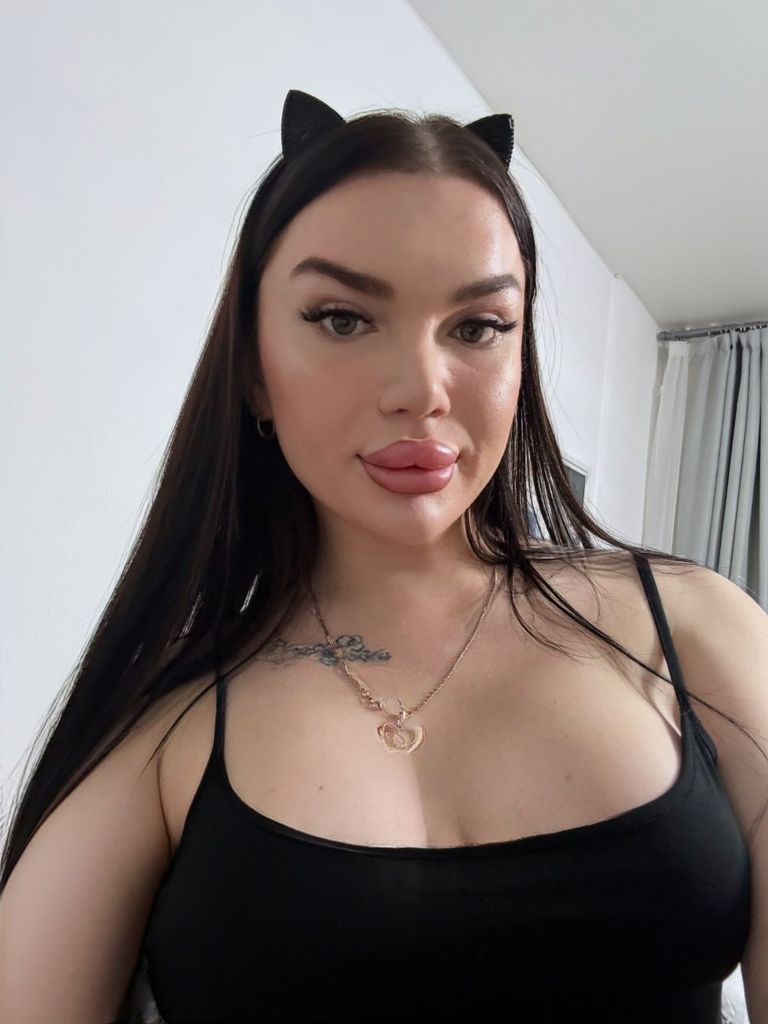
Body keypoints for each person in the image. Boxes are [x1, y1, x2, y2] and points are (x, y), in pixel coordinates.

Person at [1, 89, 764, 1024]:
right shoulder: (164, 725)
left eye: (477, 327)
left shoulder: (696, 629)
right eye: (341, 318)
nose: (421, 389)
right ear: (253, 370)